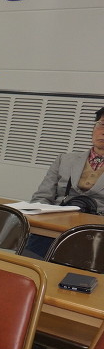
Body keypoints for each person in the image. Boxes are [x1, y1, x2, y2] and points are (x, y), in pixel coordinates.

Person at [26, 106, 104, 255]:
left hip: (96, 234)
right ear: (93, 129)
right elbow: (42, 197)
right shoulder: (65, 160)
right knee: (28, 261)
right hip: (53, 228)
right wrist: (46, 220)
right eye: (102, 124)